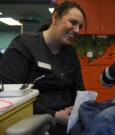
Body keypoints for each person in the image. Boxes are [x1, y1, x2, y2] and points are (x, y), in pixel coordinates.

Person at [0, 1, 86, 135]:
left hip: (70, 122)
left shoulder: (70, 53)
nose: (77, 30)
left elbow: (79, 90)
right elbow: (11, 95)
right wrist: (53, 115)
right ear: (55, 17)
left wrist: (78, 110)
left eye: (80, 26)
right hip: (35, 122)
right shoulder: (23, 46)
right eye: (73, 22)